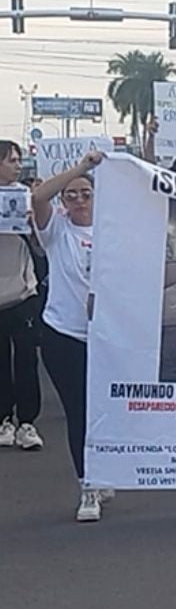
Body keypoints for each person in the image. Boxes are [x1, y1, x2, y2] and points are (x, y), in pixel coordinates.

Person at [32, 150, 102, 521]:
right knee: (79, 412)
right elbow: (38, 198)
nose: (78, 200)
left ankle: (106, 472)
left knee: (105, 412)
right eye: (71, 195)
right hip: (63, 335)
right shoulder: (56, 231)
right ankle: (87, 485)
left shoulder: (113, 229)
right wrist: (82, 169)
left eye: (86, 194)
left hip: (107, 339)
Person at [0, 141, 43, 452]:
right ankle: (3, 420)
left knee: (26, 359)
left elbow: (42, 250)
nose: (17, 165)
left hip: (23, 294)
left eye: (18, 160)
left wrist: (31, 229)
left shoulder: (24, 197)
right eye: (12, 160)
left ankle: (27, 422)